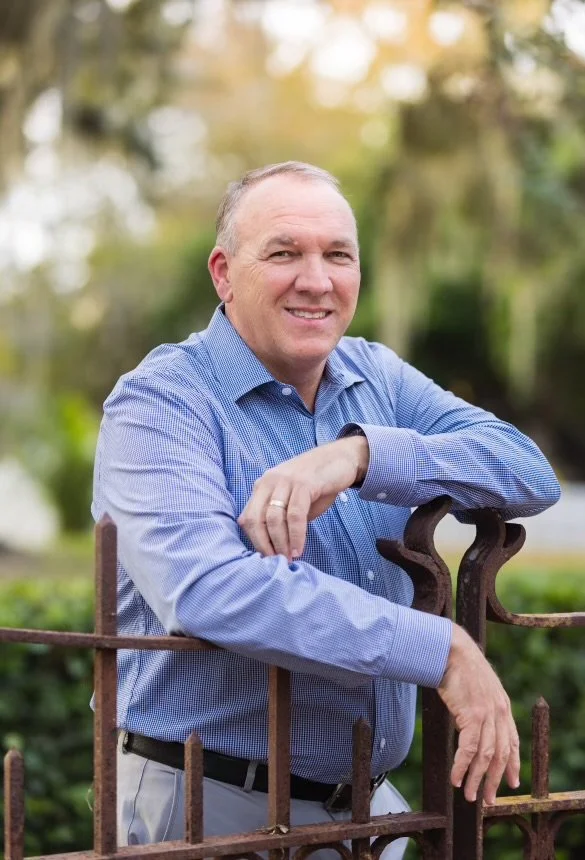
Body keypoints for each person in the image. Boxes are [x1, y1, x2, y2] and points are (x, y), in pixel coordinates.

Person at [92, 161, 561, 858]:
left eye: (337, 254)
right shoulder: (160, 402)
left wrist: (359, 456)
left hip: (370, 815)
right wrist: (440, 649)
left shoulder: (378, 378)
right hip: (209, 807)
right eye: (284, 252)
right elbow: (207, 590)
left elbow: (525, 470)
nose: (316, 279)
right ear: (223, 272)